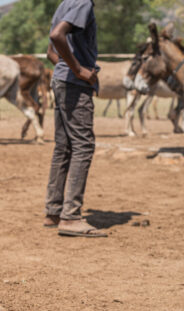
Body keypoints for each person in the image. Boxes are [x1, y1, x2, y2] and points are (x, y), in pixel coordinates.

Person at [44, 0, 107, 237]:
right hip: (74, 85)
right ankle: (70, 217)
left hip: (60, 81)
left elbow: (51, 51)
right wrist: (79, 71)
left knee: (64, 147)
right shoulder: (83, 4)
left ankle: (53, 211)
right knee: (83, 146)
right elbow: (57, 35)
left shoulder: (65, 4)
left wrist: (65, 69)